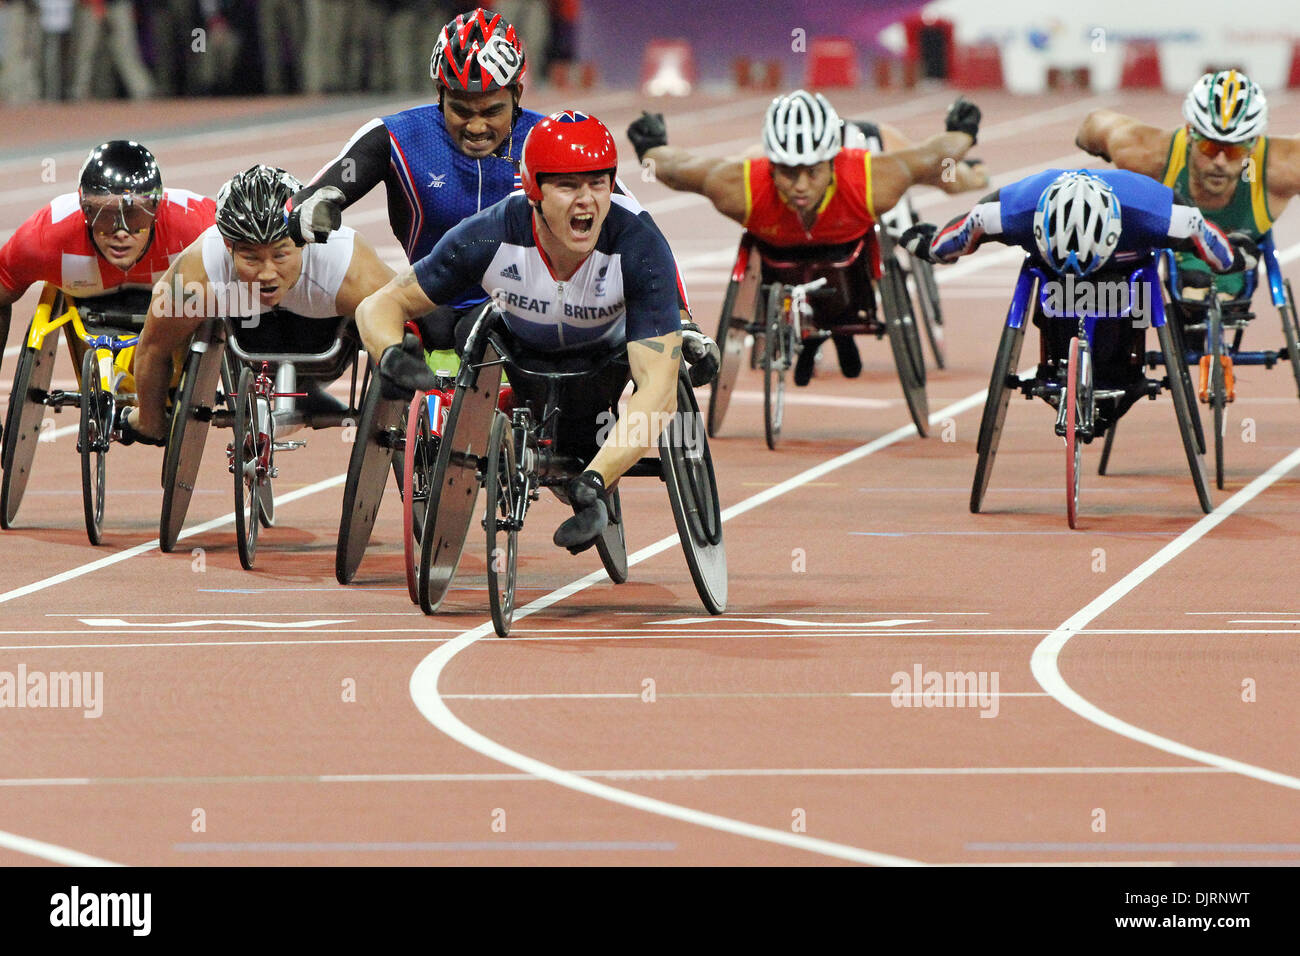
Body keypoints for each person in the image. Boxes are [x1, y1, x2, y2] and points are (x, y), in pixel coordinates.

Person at [355, 111, 704, 554]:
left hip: (604, 364)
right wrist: (389, 355)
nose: (587, 201)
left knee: (619, 414)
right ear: (534, 189)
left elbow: (658, 391)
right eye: (568, 186)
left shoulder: (638, 244)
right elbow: (380, 304)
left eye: (599, 183)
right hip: (523, 365)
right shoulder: (489, 235)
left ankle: (591, 480)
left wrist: (595, 482)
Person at [628, 89, 981, 385]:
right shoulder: (742, 186)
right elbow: (679, 171)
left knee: (865, 251)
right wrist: (651, 146)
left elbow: (930, 158)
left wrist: (962, 132)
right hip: (778, 263)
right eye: (787, 173)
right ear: (771, 165)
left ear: (833, 162)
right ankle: (824, 331)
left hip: (851, 268)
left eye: (812, 172)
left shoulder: (871, 178)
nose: (800, 186)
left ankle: (839, 329)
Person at [286, 7, 540, 363]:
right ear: (440, 93)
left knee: (482, 329)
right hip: (424, 304)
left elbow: (623, 216)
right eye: (462, 111)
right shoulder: (397, 135)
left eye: (491, 111)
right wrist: (318, 206)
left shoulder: (547, 139)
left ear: (517, 93)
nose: (477, 127)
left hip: (520, 312)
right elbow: (320, 191)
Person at [900, 169, 1256, 413]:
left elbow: (1209, 244)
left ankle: (1117, 356)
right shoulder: (1014, 211)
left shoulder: (1156, 214)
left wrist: (1234, 258)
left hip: (1123, 257)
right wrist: (932, 247)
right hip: (1053, 266)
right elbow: (964, 234)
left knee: (1154, 280)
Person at [123, 165, 396, 444]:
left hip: (325, 348)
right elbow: (154, 346)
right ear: (229, 246)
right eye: (251, 258)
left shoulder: (346, 266)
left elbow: (413, 319)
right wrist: (150, 420)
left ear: (305, 241)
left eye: (280, 255)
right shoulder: (201, 271)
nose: (266, 273)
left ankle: (307, 391)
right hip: (248, 348)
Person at [0, 140, 214, 437]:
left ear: (157, 208)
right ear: (84, 208)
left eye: (136, 215)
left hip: (172, 306)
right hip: (90, 300)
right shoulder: (45, 238)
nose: (120, 232)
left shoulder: (198, 224)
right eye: (104, 215)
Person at [1074, 69, 1300, 301]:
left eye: (1234, 151)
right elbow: (1095, 123)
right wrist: (1099, 149)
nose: (1219, 162)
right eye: (1209, 148)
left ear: (1254, 144)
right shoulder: (1148, 152)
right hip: (1179, 247)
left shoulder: (1284, 166)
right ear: (1190, 133)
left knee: (1212, 295)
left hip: (1238, 255)